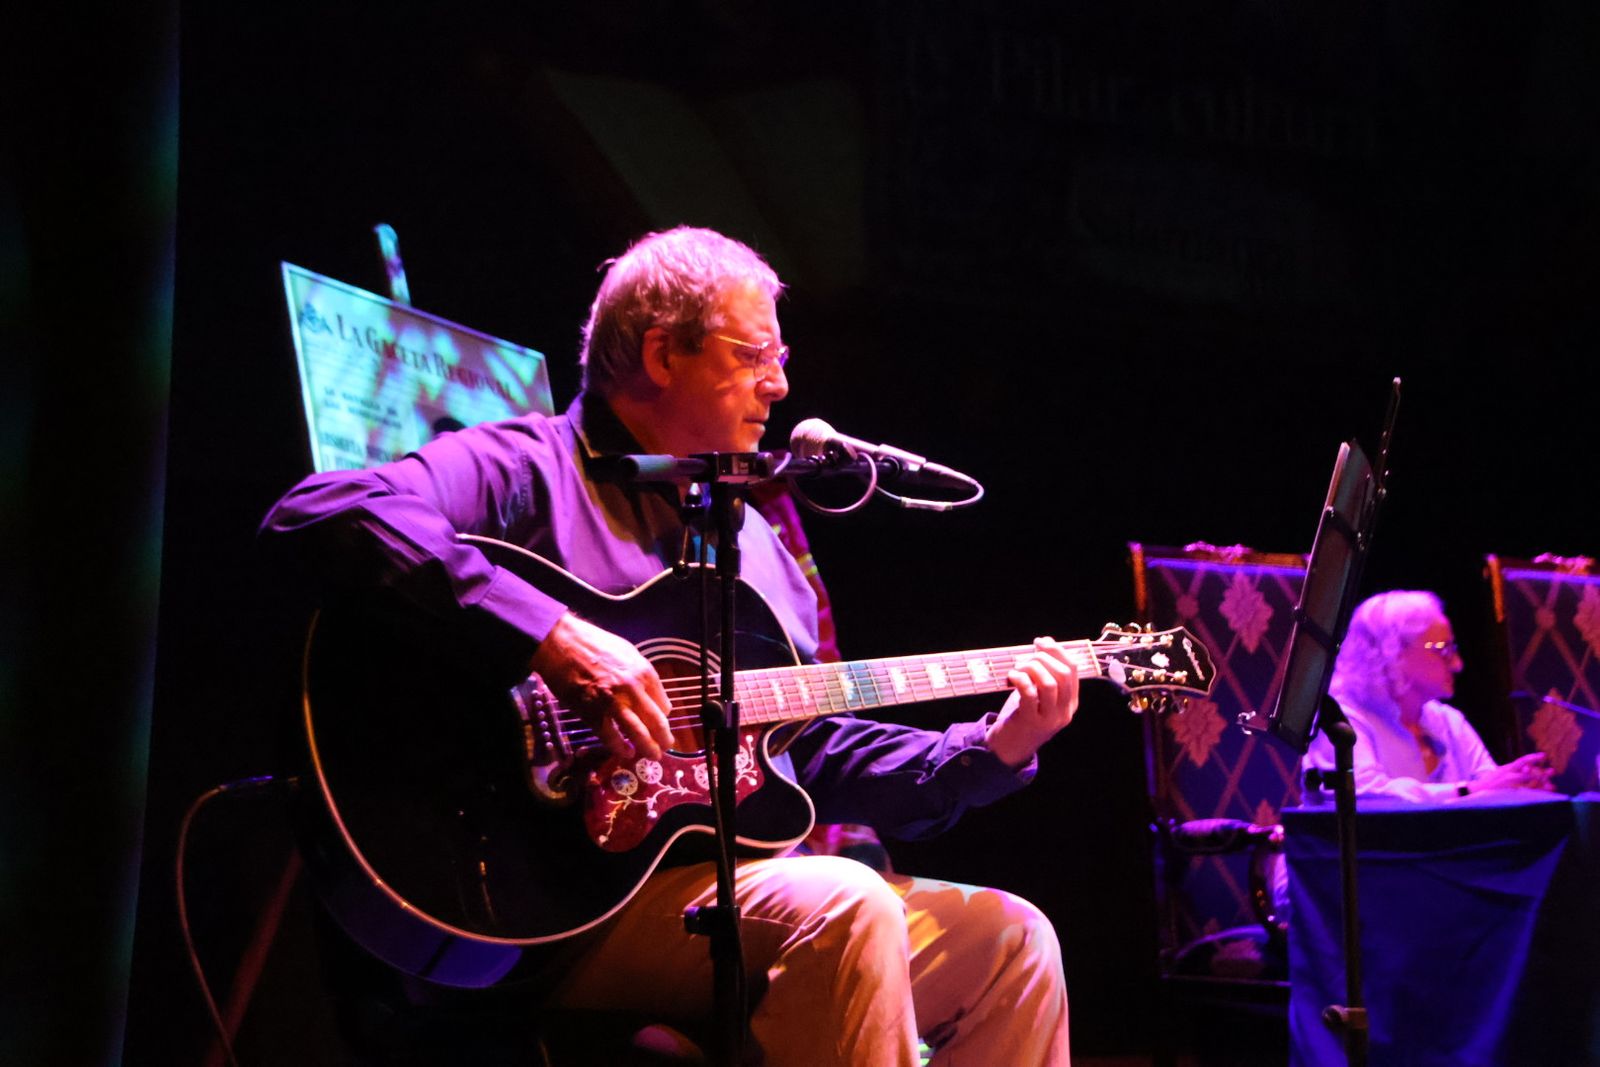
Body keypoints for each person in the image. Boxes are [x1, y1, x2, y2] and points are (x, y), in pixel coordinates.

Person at [260, 226, 1074, 1065]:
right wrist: (548, 636)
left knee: (1010, 941)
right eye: (753, 354)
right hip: (546, 897)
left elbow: (806, 753)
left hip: (713, 891)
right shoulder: (528, 469)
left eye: (780, 357)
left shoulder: (757, 548)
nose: (780, 383)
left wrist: (992, 747)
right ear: (660, 353)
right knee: (848, 901)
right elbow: (324, 510)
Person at [1302, 589, 1553, 802]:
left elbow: (1488, 786)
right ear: (1393, 651)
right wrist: (1466, 791)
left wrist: (1517, 786)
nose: (1457, 664)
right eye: (1443, 649)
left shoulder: (1448, 721)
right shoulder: (1339, 720)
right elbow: (1362, 795)